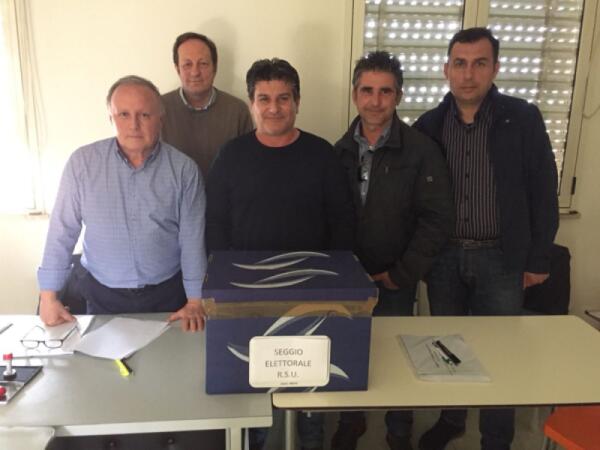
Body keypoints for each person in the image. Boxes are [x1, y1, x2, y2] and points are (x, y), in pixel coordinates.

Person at [413, 28, 559, 450]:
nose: (468, 74)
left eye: (479, 63)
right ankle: (452, 418)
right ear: (446, 69)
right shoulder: (429, 125)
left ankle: (497, 437)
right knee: (448, 348)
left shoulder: (522, 119)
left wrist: (539, 259)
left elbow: (543, 190)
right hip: (445, 258)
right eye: (460, 64)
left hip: (501, 258)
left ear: (495, 68)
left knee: (500, 353)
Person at [206, 58, 355, 450]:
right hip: (246, 295)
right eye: (264, 99)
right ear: (252, 104)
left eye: (283, 98)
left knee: (311, 389)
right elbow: (215, 224)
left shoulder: (321, 154)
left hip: (312, 293)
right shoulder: (231, 155)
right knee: (252, 386)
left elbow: (343, 223)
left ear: (297, 102)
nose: (274, 108)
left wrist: (334, 285)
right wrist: (224, 284)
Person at [332, 51, 454, 450]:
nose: (375, 100)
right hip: (349, 281)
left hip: (395, 278)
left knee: (400, 357)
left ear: (398, 96)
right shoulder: (338, 151)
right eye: (367, 90)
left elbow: (436, 219)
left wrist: (402, 273)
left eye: (385, 91)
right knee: (350, 352)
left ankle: (398, 430)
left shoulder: (421, 150)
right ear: (355, 95)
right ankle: (351, 422)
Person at [38, 75, 207, 332]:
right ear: (111, 118)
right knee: (104, 357)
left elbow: (192, 240)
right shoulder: (82, 164)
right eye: (124, 115)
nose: (134, 125)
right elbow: (62, 231)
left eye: (144, 115)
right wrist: (48, 297)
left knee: (168, 356)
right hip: (102, 295)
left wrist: (195, 300)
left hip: (168, 295)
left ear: (160, 119)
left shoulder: (184, 170)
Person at [161, 32, 253, 178]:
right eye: (187, 64)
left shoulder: (238, 111)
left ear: (215, 67)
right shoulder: (158, 109)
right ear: (177, 69)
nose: (195, 72)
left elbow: (246, 166)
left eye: (203, 64)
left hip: (224, 192)